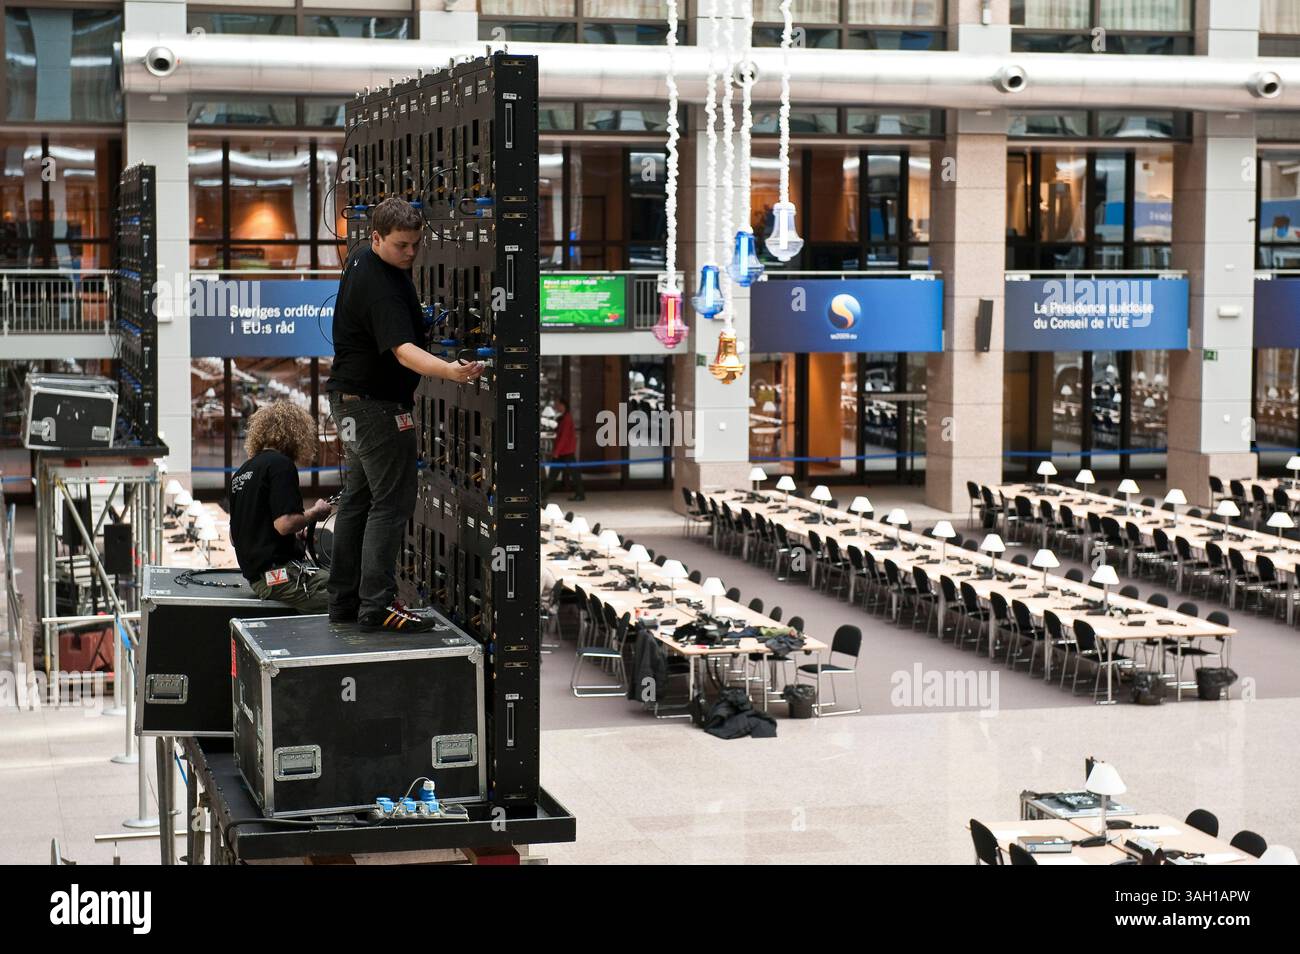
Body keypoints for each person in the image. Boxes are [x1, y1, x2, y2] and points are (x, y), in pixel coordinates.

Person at [326, 197, 485, 632]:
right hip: (379, 408)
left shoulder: (362, 256)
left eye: (416, 244)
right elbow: (404, 351)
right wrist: (451, 372)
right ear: (376, 237)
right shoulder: (381, 286)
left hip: (348, 402)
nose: (411, 253)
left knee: (358, 501)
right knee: (391, 505)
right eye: (402, 245)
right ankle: (376, 606)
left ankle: (344, 602)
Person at [230, 401, 332, 612]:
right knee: (349, 593)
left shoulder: (242, 472)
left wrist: (290, 538)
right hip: (279, 578)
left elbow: (235, 536)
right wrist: (315, 512)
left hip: (260, 580)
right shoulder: (281, 465)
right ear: (296, 434)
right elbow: (284, 524)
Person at [544, 397, 583, 502]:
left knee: (572, 474)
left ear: (563, 405)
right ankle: (544, 494)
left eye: (557, 404)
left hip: (565, 451)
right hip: (563, 451)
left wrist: (556, 451)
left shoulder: (566, 418)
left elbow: (564, 437)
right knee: (554, 474)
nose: (556, 407)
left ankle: (580, 494)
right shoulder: (563, 417)